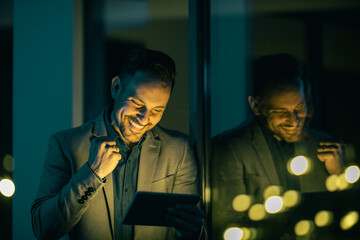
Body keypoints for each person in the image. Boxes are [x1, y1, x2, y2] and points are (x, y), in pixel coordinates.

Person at [31, 47, 205, 240]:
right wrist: (92, 173)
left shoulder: (179, 149)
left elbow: (193, 232)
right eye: (137, 104)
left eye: (157, 109)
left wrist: (193, 231)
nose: (144, 118)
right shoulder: (65, 144)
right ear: (116, 88)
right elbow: (43, 229)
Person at [211, 53, 345, 239]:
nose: (295, 121)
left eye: (299, 108)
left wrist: (339, 175)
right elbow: (226, 225)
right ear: (256, 106)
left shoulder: (324, 146)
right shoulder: (230, 148)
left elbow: (344, 218)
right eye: (281, 111)